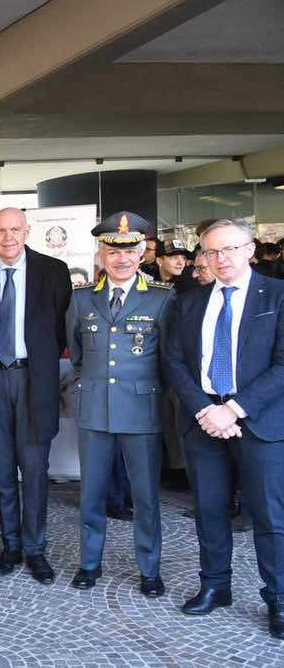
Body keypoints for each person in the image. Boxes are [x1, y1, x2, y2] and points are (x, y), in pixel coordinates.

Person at [163, 219, 284, 639]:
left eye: (229, 249)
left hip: (259, 422)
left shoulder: (278, 295)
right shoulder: (189, 301)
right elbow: (174, 362)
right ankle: (216, 586)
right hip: (203, 423)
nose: (220, 259)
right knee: (210, 510)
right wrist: (206, 411)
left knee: (270, 517)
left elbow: (283, 365)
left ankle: (279, 598)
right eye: (211, 252)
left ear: (250, 250)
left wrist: (233, 410)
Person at [66, 212, 174, 596]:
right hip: (95, 409)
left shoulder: (162, 298)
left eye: (130, 251)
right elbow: (79, 358)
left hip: (142, 412)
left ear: (143, 252)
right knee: (91, 493)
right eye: (113, 251)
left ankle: (149, 569)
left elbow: (168, 359)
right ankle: (89, 564)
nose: (122, 259)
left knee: (145, 496)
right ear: (101, 254)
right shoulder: (81, 299)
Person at [0, 207, 71, 585]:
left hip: (33, 379)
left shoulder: (53, 271)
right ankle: (10, 546)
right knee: (1, 471)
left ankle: (35, 549)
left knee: (34, 470)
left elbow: (61, 328)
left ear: (27, 231)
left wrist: (39, 362)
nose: (8, 237)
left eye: (15, 229)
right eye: (1, 230)